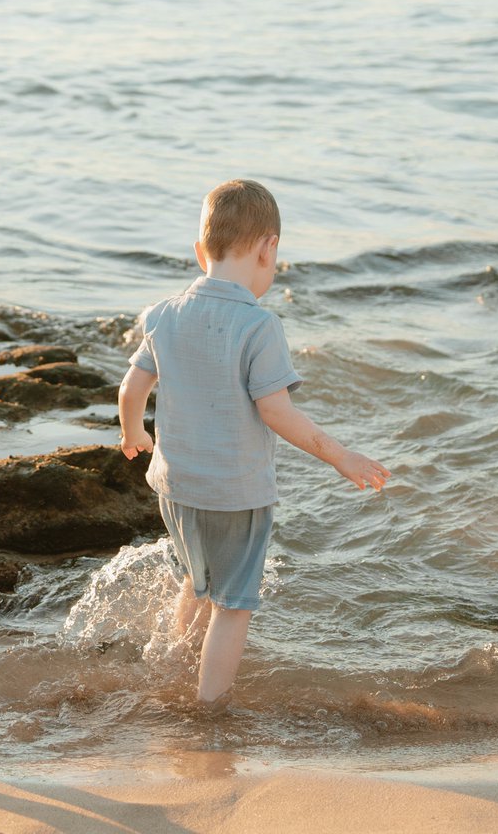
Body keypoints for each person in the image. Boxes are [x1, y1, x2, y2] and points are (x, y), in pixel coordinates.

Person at [118, 179, 389, 703]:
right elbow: (277, 413)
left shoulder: (162, 314)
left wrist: (134, 431)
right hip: (235, 494)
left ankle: (173, 666)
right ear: (269, 248)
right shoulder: (259, 327)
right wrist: (341, 456)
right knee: (233, 605)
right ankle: (209, 707)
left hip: (174, 488)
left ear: (201, 253)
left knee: (195, 581)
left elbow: (132, 388)